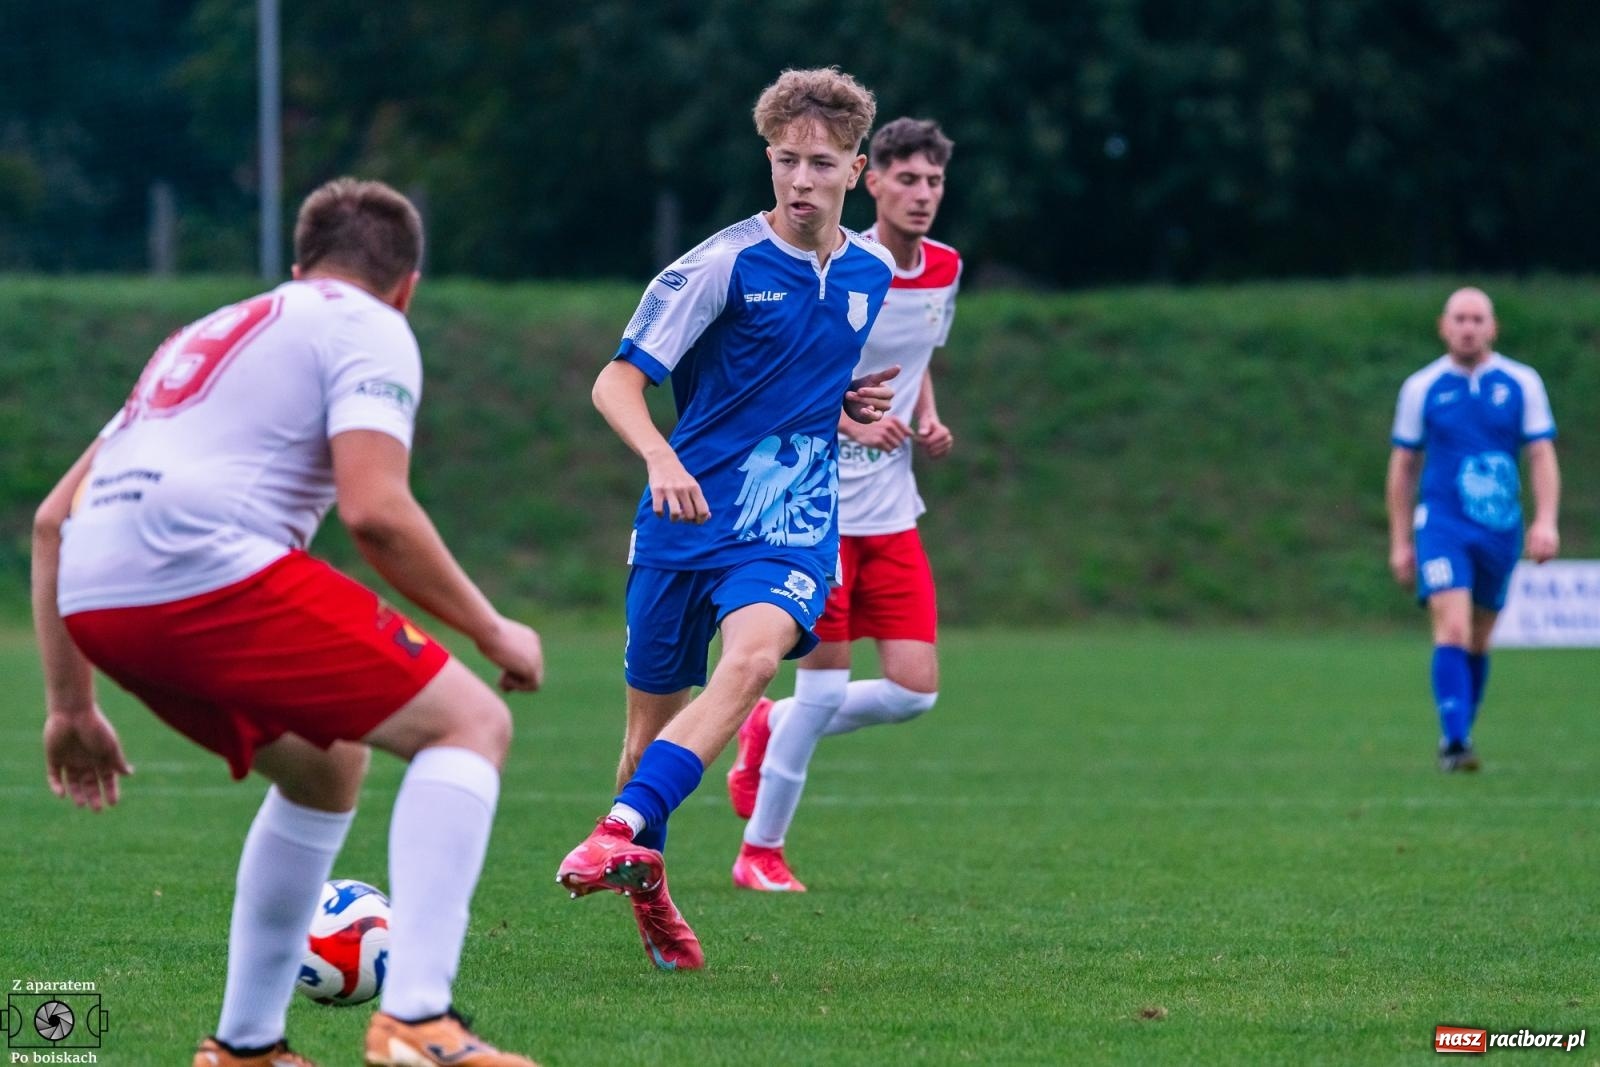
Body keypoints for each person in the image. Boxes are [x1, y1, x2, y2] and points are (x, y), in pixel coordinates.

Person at [32, 178, 546, 1067]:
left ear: (298, 266)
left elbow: (50, 520)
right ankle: (419, 1022)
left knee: (326, 762)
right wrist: (492, 627)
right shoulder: (369, 322)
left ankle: (244, 1046)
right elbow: (376, 511)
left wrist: (70, 706)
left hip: (97, 590)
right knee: (471, 722)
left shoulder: (209, 332)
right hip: (198, 565)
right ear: (407, 285)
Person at [552, 67, 898, 970]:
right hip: (683, 516)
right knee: (643, 743)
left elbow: (790, 382)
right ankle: (646, 875)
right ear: (768, 160)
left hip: (789, 523)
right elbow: (616, 381)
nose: (801, 180)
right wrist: (661, 456)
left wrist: (836, 407)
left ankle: (613, 834)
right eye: (786, 160)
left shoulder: (869, 274)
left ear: (855, 171)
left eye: (821, 164)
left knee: (748, 662)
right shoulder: (720, 264)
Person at [725, 117, 961, 892]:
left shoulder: (947, 268)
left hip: (893, 512)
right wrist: (849, 416)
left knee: (911, 692)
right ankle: (761, 851)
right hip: (819, 507)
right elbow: (798, 375)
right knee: (822, 688)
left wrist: (925, 413)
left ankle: (767, 720)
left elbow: (914, 358)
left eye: (933, 181)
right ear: (871, 180)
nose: (921, 194)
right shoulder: (844, 264)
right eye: (906, 179)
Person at [1386, 286, 1561, 772]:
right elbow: (1403, 467)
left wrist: (1546, 520)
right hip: (1441, 524)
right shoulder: (1421, 388)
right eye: (1459, 318)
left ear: (1492, 327)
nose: (1468, 327)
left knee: (1480, 640)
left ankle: (1461, 731)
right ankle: (1455, 741)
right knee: (1454, 628)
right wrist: (1400, 540)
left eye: (1477, 319)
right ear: (1443, 326)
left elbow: (1541, 453)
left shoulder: (1522, 383)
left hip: (1499, 528)